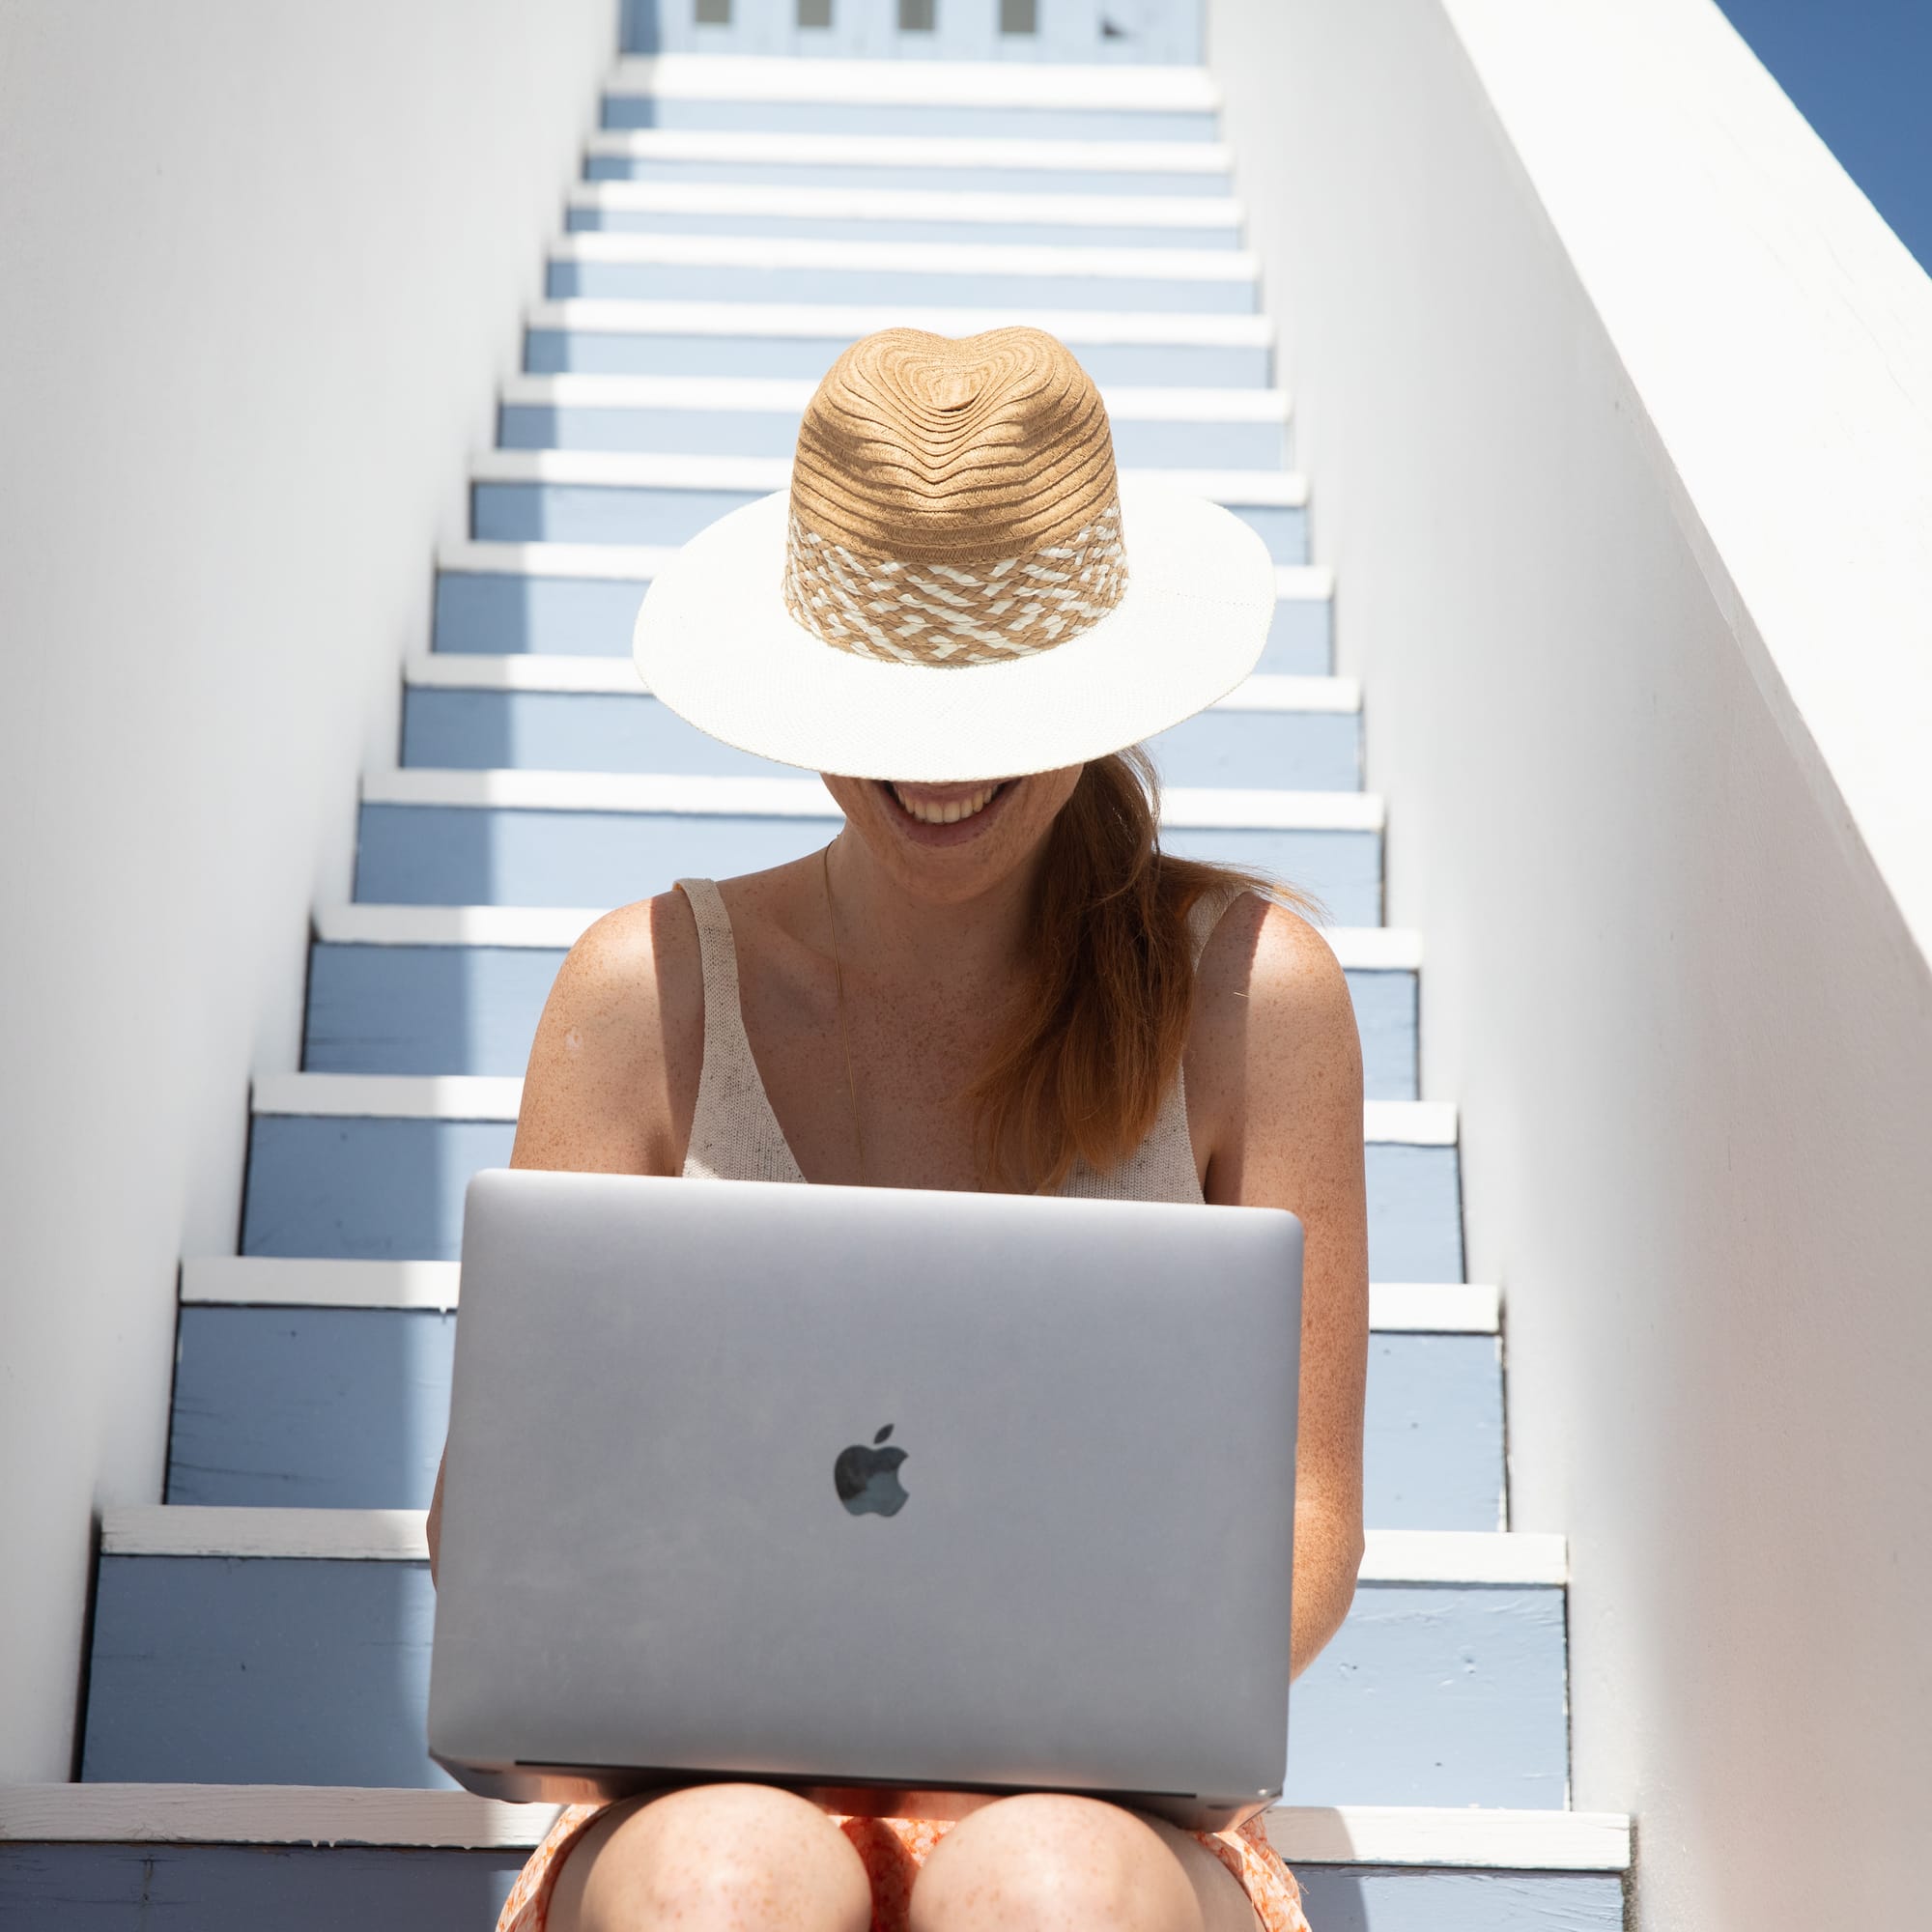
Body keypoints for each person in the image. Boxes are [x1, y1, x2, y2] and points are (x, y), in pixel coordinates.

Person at [428, 326, 1369, 1932]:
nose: (941, 768)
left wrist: (1055, 1712)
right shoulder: (638, 992)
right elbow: (501, 1514)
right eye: (890, 699)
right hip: (697, 1785)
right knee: (724, 1881)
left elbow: (1307, 1512)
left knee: (1051, 1886)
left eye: (1002, 701)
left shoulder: (1251, 996)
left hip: (1105, 1799)